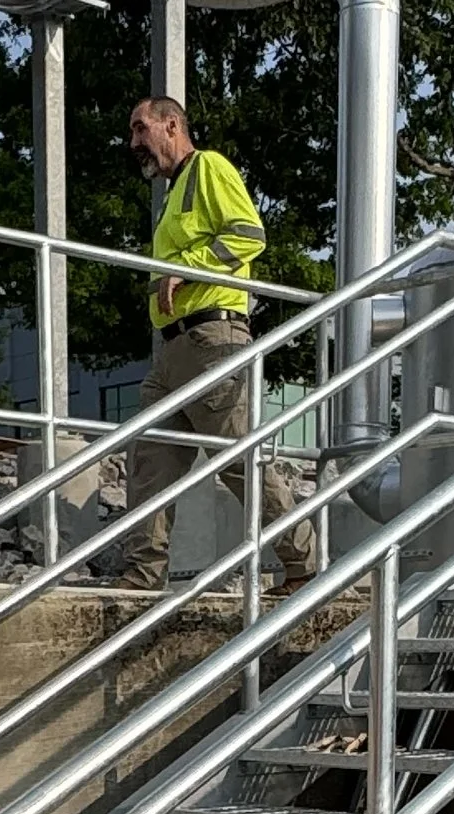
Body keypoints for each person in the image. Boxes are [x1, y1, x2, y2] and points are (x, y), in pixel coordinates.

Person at [115, 96, 313, 586]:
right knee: (149, 459)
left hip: (211, 338)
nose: (134, 142)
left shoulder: (208, 167)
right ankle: (143, 574)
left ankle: (304, 565)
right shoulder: (172, 194)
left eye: (141, 129)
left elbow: (248, 233)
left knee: (238, 463)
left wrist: (188, 270)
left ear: (172, 125)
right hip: (174, 350)